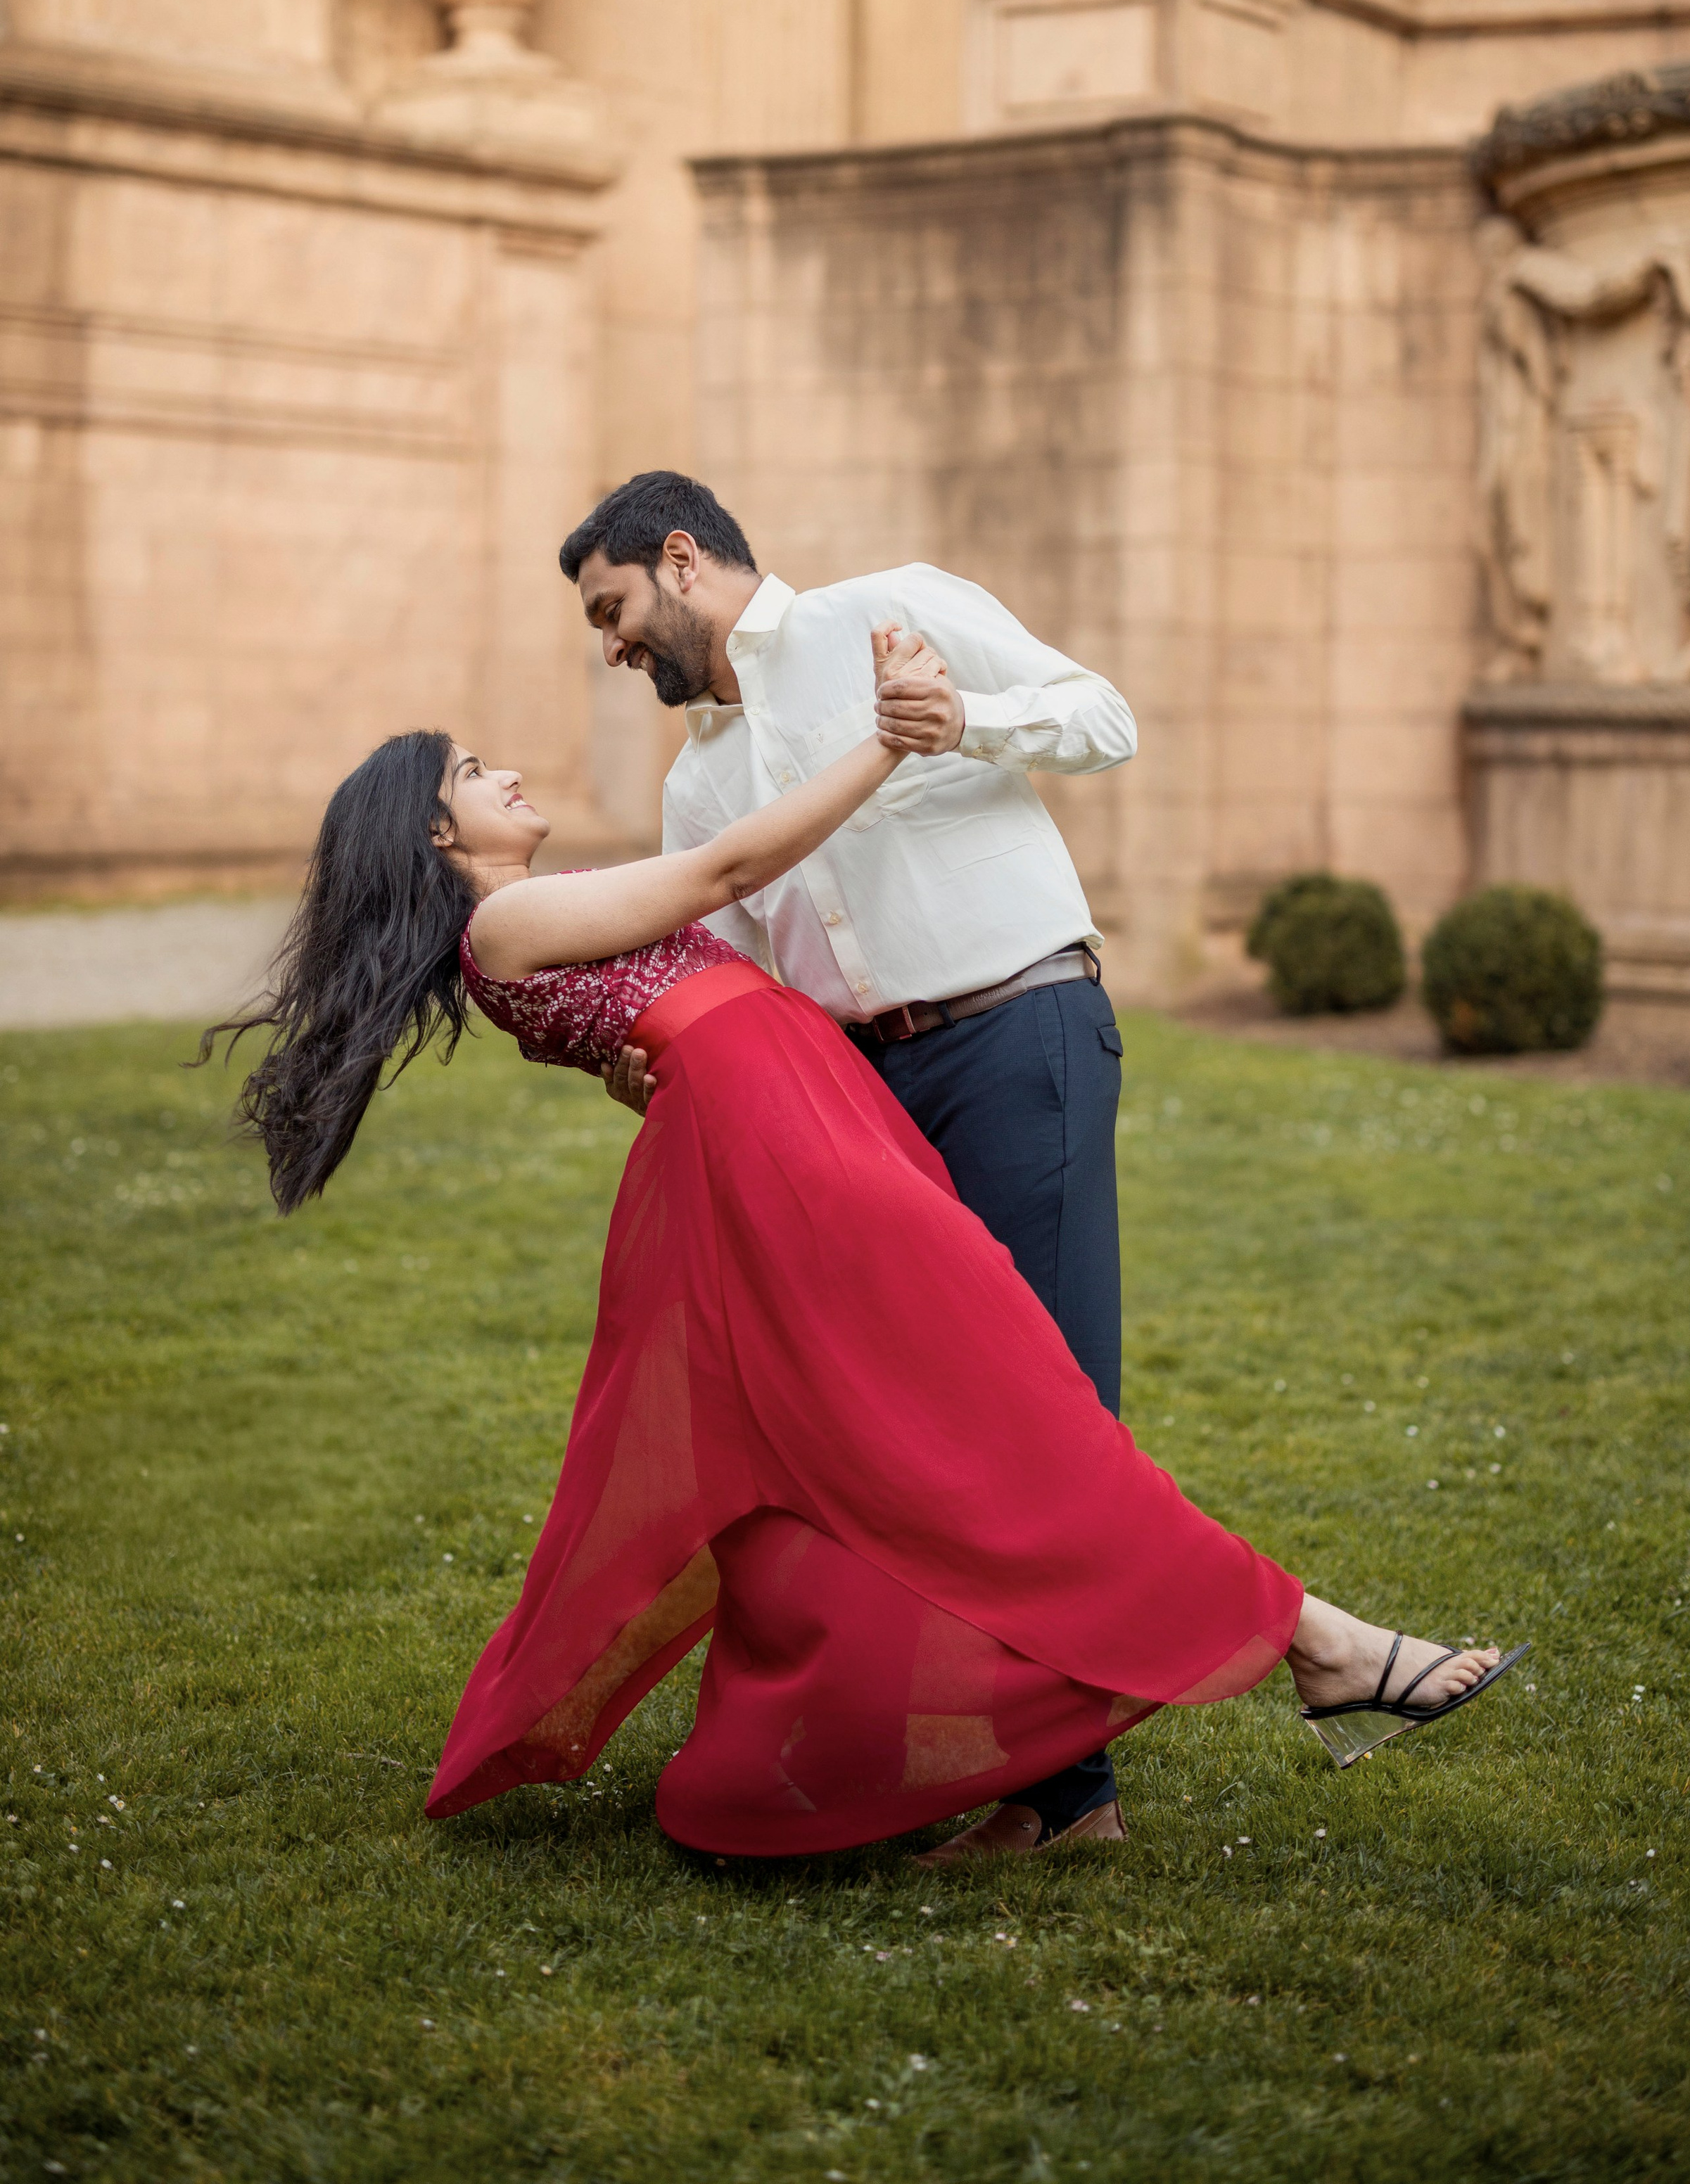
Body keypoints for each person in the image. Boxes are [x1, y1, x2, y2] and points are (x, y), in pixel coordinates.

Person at [214, 640, 1522, 1867]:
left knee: (933, 1447)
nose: (503, 772)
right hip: (782, 1157)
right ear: (441, 835)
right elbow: (724, 879)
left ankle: (1022, 1739)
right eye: (470, 774)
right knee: (1012, 1422)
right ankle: (1320, 1645)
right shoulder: (500, 927)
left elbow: (685, 983)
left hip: (795, 1129)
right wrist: (890, 743)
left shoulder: (537, 916)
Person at [560, 471, 1138, 1856]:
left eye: (613, 608)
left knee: (1044, 1406)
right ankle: (958, 1768)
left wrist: (969, 718)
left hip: (1016, 1034)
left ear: (681, 558)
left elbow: (1103, 720)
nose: (610, 645)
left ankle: (1068, 1798)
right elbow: (733, 978)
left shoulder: (898, 609)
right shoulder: (696, 781)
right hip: (860, 1093)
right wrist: (643, 1052)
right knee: (915, 1431)